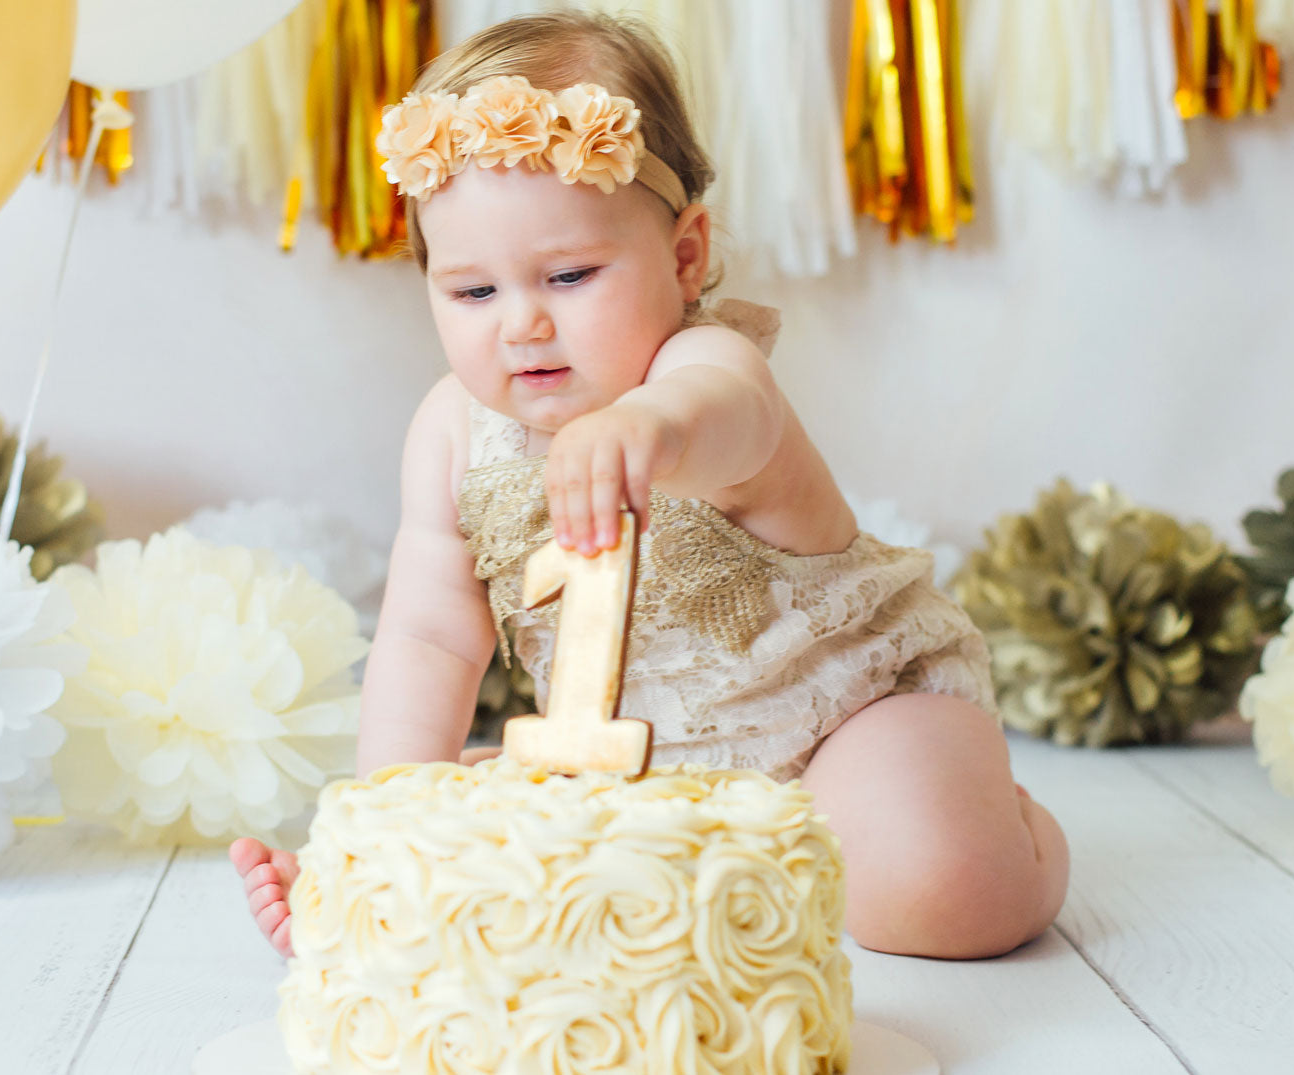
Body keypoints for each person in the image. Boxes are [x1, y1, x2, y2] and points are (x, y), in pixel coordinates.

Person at [234, 10, 1068, 962]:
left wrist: (648, 429)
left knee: (938, 892)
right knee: (496, 903)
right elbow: (427, 639)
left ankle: (1012, 831)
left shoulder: (702, 367)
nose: (521, 326)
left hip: (841, 721)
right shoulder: (451, 431)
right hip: (628, 771)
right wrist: (382, 838)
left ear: (682, 256)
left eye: (568, 274)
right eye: (472, 292)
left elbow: (728, 415)